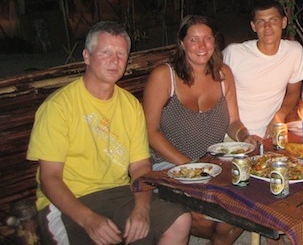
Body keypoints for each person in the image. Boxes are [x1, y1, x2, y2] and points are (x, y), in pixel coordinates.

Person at [27, 21, 191, 244]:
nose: (115, 61)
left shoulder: (130, 105)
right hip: (68, 200)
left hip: (118, 194)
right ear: (87, 56)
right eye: (106, 52)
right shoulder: (58, 107)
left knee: (179, 220)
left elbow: (141, 167)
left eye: (121, 54)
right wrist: (89, 220)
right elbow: (49, 178)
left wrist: (142, 209)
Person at [144, 15, 255, 244]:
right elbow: (150, 131)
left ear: (215, 41)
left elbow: (233, 122)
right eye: (194, 40)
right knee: (206, 221)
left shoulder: (223, 74)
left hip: (211, 165)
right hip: (170, 165)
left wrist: (245, 136)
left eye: (207, 38)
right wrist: (190, 167)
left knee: (233, 220)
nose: (202, 46)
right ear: (182, 43)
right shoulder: (164, 75)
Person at [223, 0, 303, 138]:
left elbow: (293, 92)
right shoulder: (234, 54)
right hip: (235, 137)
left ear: (284, 22)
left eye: (273, 20)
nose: (267, 27)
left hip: (271, 136)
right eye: (261, 22)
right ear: (253, 26)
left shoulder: (294, 51)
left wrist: (280, 115)